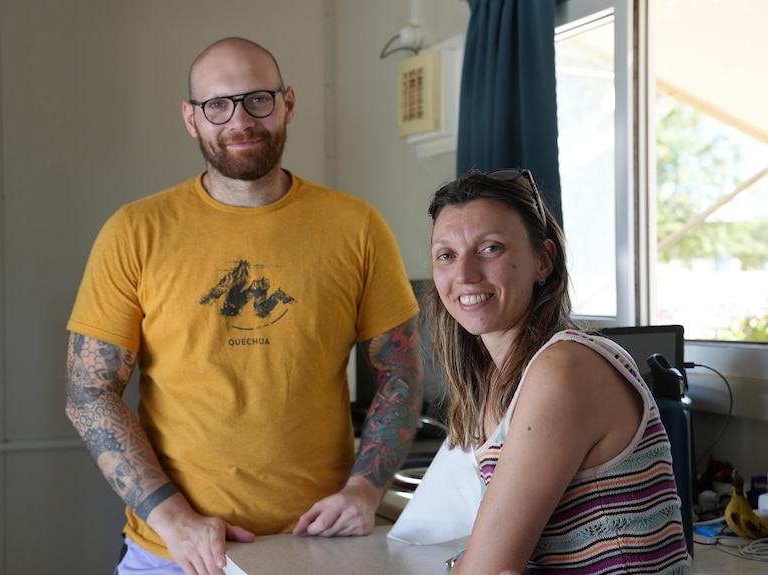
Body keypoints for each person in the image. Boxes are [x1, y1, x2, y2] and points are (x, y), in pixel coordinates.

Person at [65, 37, 422, 575]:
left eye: (258, 99)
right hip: (173, 556)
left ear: (289, 104)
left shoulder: (357, 227)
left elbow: (399, 371)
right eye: (217, 105)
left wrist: (366, 490)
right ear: (191, 118)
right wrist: (173, 518)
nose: (239, 120)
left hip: (320, 547)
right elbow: (89, 391)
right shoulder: (134, 232)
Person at [425, 170, 691, 574]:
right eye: (446, 255)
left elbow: (489, 568)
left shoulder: (565, 367)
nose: (464, 274)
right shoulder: (496, 381)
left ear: (543, 261)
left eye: (490, 248)